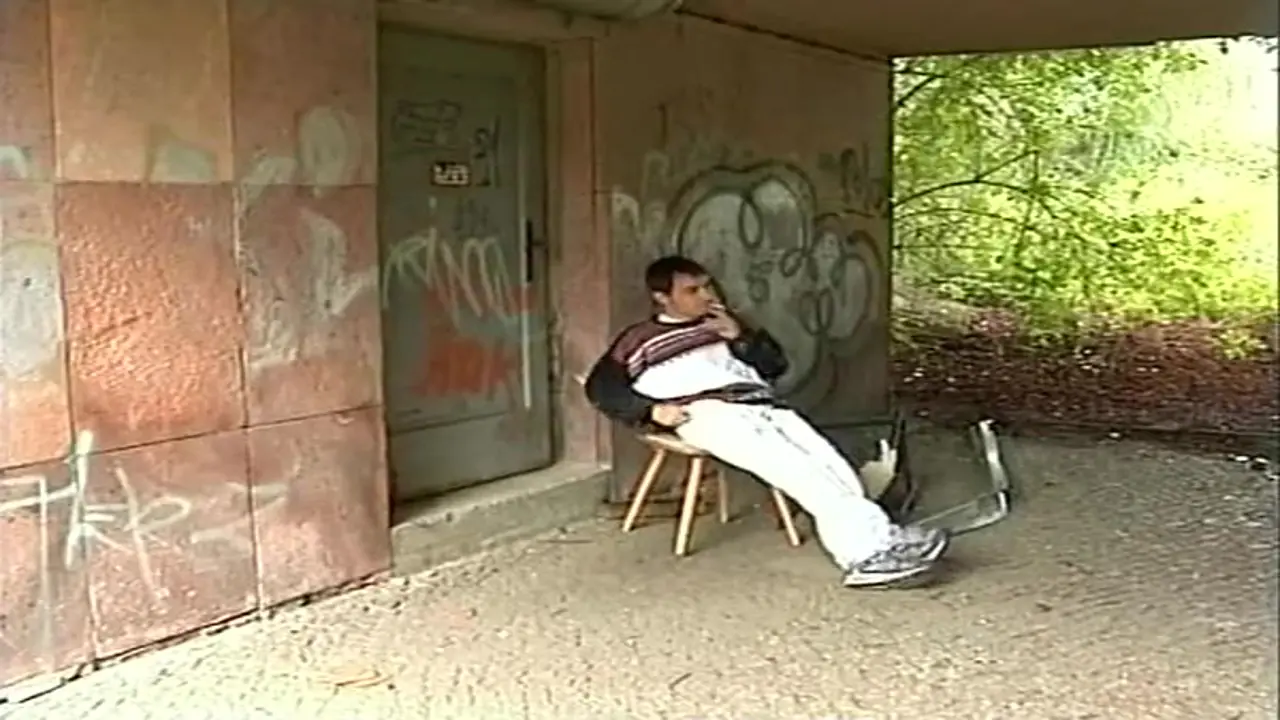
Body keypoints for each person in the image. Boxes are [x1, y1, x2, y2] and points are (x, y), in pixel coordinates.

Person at [584, 255, 950, 587]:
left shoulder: (722, 324)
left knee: (832, 465)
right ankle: (864, 556)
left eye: (707, 286)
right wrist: (650, 410)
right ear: (662, 298)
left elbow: (775, 366)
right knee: (798, 471)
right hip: (705, 410)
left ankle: (883, 538)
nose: (706, 295)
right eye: (692, 291)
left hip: (761, 404)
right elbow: (602, 387)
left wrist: (740, 337)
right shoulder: (639, 339)